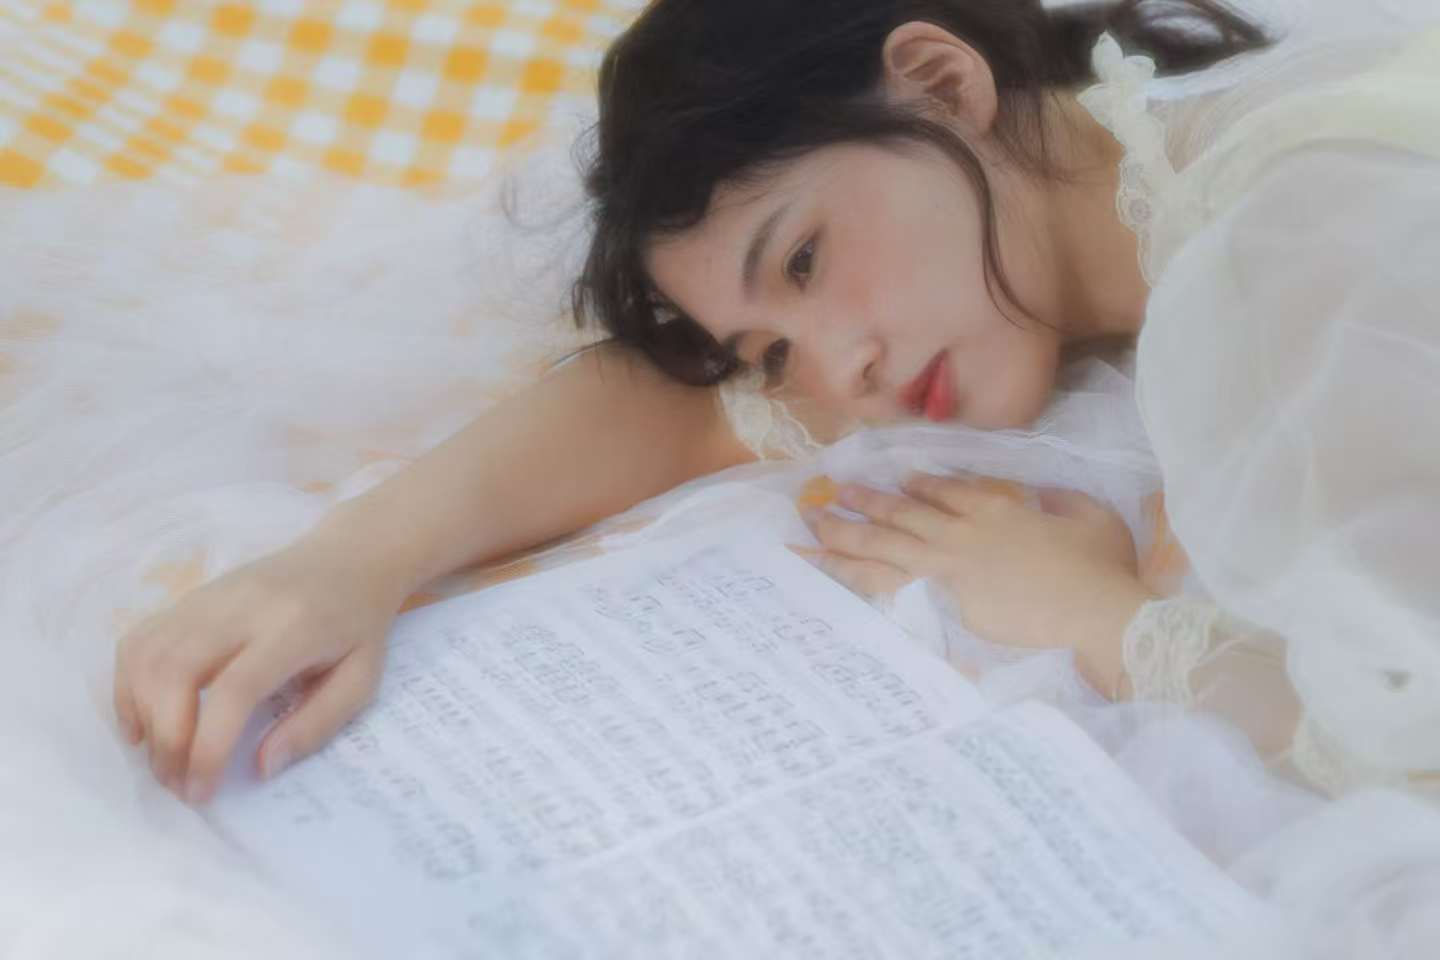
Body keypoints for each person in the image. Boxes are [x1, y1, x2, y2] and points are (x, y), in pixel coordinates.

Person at [113, 0, 1440, 812]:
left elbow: (1406, 745)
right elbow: (673, 408)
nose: (837, 377)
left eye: (802, 260)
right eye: (768, 349)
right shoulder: (1081, 192)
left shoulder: (1311, 241)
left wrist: (1095, 616)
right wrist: (349, 562)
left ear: (943, 83)